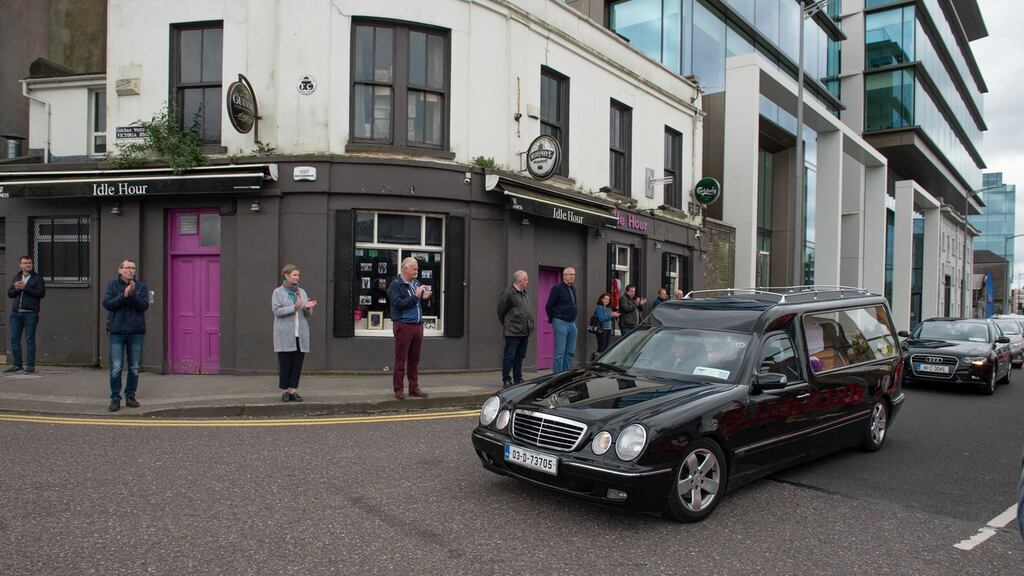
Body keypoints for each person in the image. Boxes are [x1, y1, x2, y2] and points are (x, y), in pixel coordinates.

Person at [102, 260, 149, 412]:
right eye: (127, 268)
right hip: (117, 331)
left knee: (134, 367)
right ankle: (115, 398)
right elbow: (108, 304)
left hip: (136, 331)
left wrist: (133, 294)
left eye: (133, 268)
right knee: (116, 367)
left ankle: (130, 396)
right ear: (120, 270)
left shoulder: (141, 286)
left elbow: (143, 306)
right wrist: (124, 295)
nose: (130, 270)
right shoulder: (112, 286)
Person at [388, 257, 431, 400]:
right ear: (405, 269)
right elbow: (398, 304)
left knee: (414, 359)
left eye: (417, 268)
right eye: (414, 268)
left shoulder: (416, 283)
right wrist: (416, 296)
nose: (417, 271)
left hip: (418, 325)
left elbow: (417, 303)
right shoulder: (395, 285)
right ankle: (398, 389)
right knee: (401, 359)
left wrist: (424, 297)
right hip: (403, 325)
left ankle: (414, 388)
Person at [272, 264, 317, 402]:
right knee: (285, 364)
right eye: (294, 275)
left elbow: (307, 314)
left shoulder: (301, 292)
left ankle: (293, 391)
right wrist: (294, 307)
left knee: (297, 364)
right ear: (286, 275)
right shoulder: (278, 292)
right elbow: (277, 311)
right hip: (285, 334)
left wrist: (308, 308)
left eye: (298, 275)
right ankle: (285, 391)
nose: (297, 277)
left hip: (300, 334)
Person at [6, 255, 45, 374]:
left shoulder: (37, 278)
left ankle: (30, 366)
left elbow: (41, 293)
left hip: (30, 314)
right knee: (14, 339)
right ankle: (17, 364)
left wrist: (25, 287)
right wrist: (17, 288)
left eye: (29, 263)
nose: (28, 265)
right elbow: (10, 294)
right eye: (25, 263)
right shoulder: (17, 276)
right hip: (15, 313)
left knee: (29, 339)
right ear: (20, 265)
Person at [497, 270, 535, 387]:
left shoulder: (524, 293)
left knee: (520, 356)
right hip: (513, 331)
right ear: (520, 281)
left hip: (524, 331)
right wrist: (508, 324)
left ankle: (518, 378)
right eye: (526, 279)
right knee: (509, 356)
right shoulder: (508, 293)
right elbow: (501, 311)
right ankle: (506, 379)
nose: (528, 282)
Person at [545, 266, 578, 373]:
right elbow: (549, 306)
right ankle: (557, 376)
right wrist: (553, 320)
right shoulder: (557, 288)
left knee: (570, 352)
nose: (572, 276)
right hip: (560, 322)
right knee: (560, 353)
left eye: (574, 274)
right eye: (570, 274)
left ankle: (566, 374)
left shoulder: (573, 288)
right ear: (564, 276)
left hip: (572, 323)